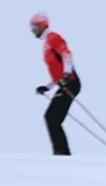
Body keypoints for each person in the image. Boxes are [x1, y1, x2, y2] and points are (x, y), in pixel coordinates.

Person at [30, 12, 80, 156]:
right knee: (52, 118)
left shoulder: (53, 38)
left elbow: (66, 54)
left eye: (34, 27)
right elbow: (57, 74)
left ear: (42, 25)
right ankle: (61, 152)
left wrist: (67, 74)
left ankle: (62, 153)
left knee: (51, 117)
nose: (32, 31)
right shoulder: (46, 44)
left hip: (71, 82)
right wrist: (47, 87)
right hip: (65, 83)